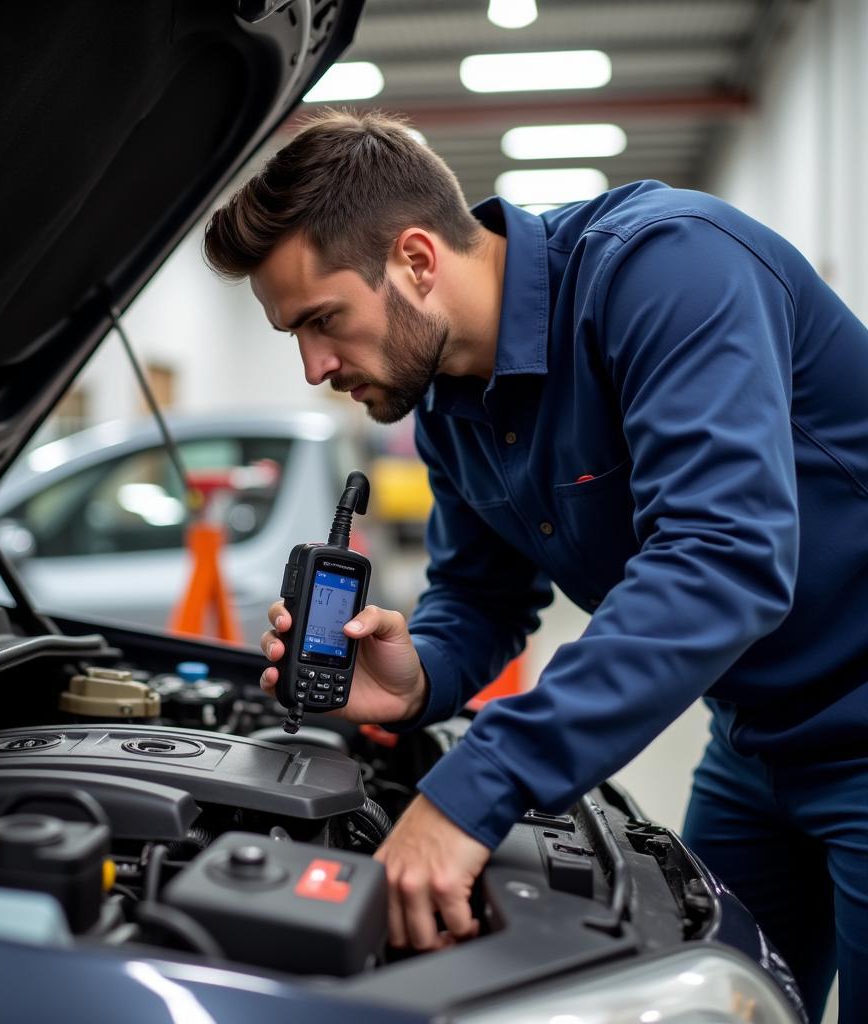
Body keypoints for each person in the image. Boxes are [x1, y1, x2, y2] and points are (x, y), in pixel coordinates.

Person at [203, 109, 868, 1023]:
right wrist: (418, 676)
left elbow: (724, 556)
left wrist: (476, 786)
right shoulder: (444, 407)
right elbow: (481, 593)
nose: (316, 366)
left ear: (417, 261)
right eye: (296, 336)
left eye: (324, 321)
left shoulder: (670, 269)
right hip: (756, 741)